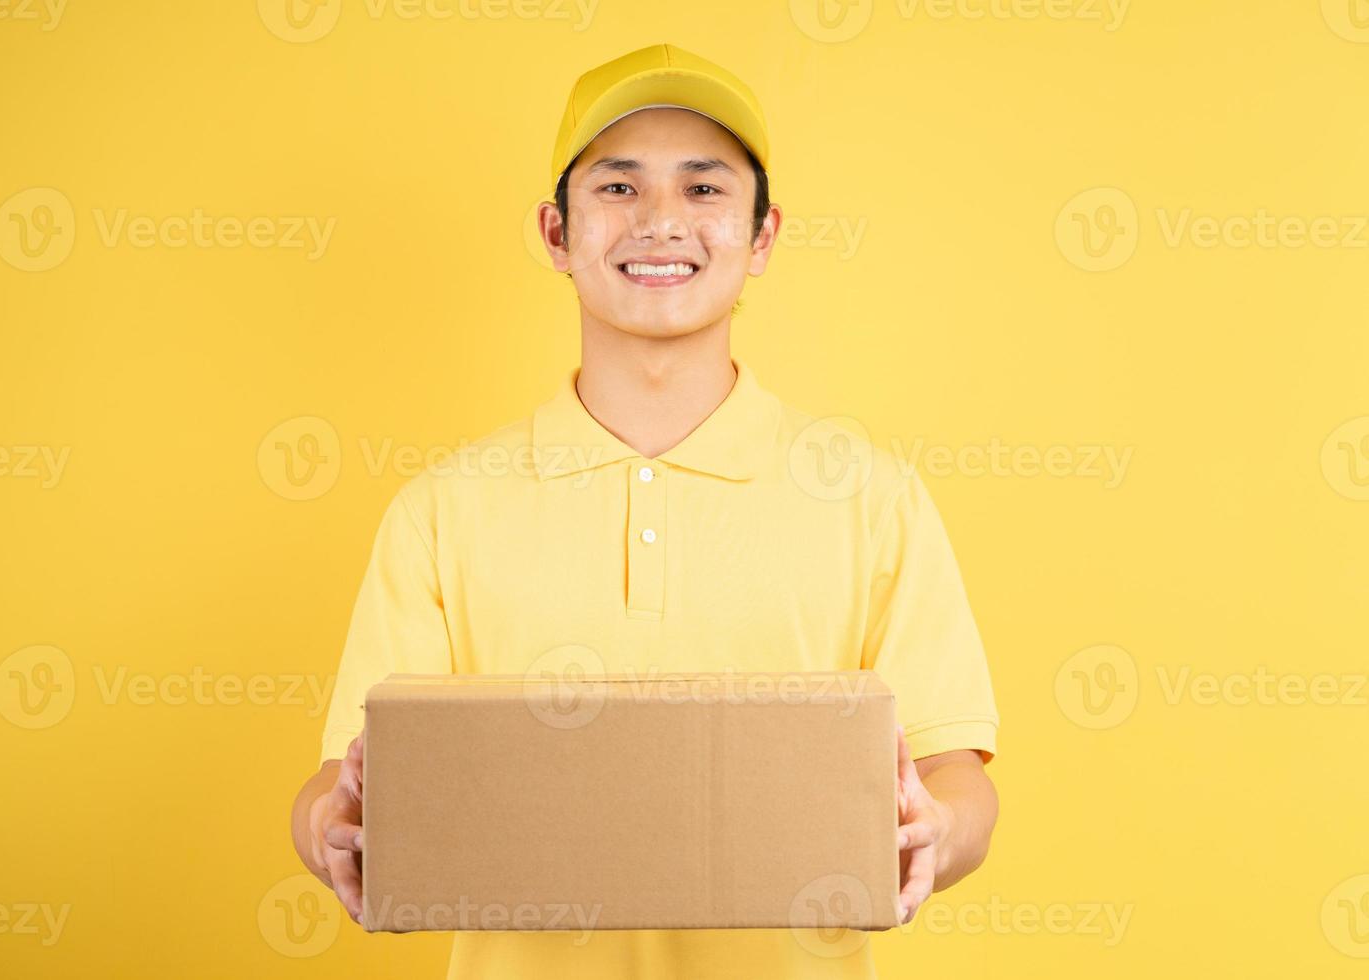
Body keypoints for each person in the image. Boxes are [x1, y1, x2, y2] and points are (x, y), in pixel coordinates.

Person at [290, 42, 1000, 980]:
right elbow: (348, 779)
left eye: (704, 190)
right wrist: (322, 827)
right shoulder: (443, 508)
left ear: (763, 236)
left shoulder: (869, 496)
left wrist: (939, 831)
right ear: (555, 233)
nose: (661, 222)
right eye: (619, 189)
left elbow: (958, 774)